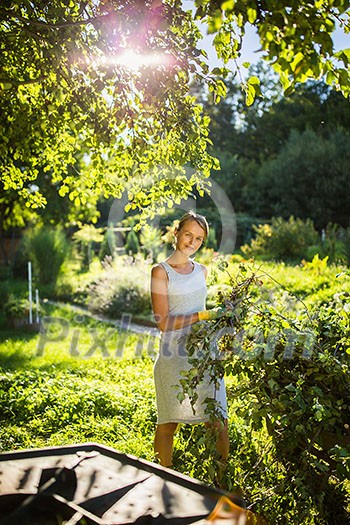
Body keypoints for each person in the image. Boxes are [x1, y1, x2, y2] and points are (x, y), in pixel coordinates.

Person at [150, 210, 229, 470]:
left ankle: (222, 480)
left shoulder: (203, 271)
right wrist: (201, 315)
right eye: (188, 235)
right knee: (168, 423)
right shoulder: (161, 272)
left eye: (199, 239)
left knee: (217, 420)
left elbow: (202, 311)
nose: (192, 242)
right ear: (176, 233)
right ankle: (163, 477)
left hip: (205, 354)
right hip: (174, 357)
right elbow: (163, 322)